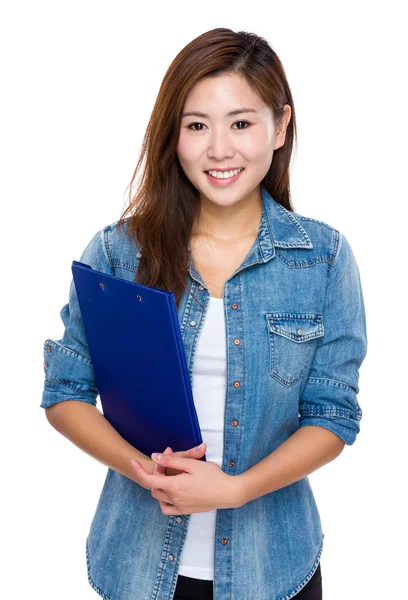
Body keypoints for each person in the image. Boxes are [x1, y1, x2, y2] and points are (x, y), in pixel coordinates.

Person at [40, 28, 367, 600]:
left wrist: (236, 489)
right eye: (197, 125)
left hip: (274, 570)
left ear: (280, 126)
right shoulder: (119, 252)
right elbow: (65, 392)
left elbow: (332, 416)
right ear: (173, 133)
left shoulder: (324, 258)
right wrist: (138, 467)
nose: (219, 149)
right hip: (139, 569)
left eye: (241, 123)